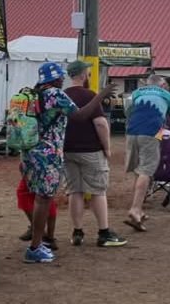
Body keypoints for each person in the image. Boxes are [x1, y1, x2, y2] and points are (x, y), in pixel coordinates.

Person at [20, 62, 113, 263]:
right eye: (60, 77)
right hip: (48, 154)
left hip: (30, 152)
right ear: (55, 79)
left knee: (40, 197)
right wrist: (100, 95)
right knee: (44, 199)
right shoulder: (55, 94)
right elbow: (79, 115)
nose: (63, 80)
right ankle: (35, 247)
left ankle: (39, 242)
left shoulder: (35, 94)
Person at [62, 60, 127, 248]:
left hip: (68, 150)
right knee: (98, 190)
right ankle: (104, 232)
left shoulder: (63, 96)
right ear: (83, 75)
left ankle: (77, 231)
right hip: (90, 150)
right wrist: (106, 147)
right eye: (87, 73)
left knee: (75, 191)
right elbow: (100, 123)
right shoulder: (90, 95)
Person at [123, 74, 170, 232]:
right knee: (146, 170)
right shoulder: (167, 95)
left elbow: (128, 112)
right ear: (162, 84)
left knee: (138, 170)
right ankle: (135, 209)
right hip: (153, 132)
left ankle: (139, 209)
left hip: (132, 132)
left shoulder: (137, 93)